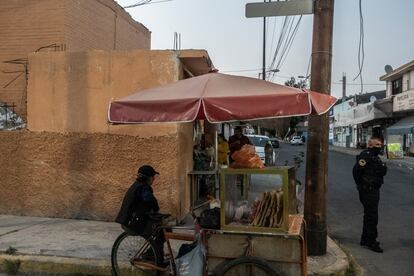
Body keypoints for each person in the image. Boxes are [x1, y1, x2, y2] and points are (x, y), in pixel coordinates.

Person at [115, 165, 165, 263]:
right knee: (162, 231)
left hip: (128, 222)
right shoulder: (143, 188)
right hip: (133, 225)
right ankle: (153, 256)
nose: (154, 179)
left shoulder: (137, 185)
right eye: (153, 177)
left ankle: (153, 253)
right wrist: (156, 209)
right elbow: (149, 199)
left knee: (162, 228)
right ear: (147, 178)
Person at [352, 137, 387, 253]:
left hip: (374, 189)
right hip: (368, 190)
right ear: (370, 145)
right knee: (372, 216)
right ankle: (372, 242)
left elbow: (381, 172)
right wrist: (361, 185)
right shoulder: (366, 155)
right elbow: (356, 171)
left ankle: (365, 239)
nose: (380, 147)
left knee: (369, 215)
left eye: (380, 145)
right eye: (377, 145)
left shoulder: (375, 157)